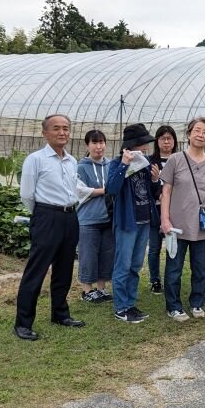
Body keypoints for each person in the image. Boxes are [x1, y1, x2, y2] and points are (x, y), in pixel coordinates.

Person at [14, 114, 84, 341]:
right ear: (45, 133)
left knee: (64, 269)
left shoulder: (72, 161)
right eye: (56, 128)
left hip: (69, 217)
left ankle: (60, 314)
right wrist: (44, 215)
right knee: (37, 271)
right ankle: (23, 323)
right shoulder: (35, 160)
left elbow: (74, 190)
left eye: (66, 128)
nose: (62, 132)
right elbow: (27, 195)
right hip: (46, 216)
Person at [160, 117, 205, 321]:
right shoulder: (175, 160)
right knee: (174, 269)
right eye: (197, 130)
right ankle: (173, 306)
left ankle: (197, 303)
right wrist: (165, 220)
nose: (200, 135)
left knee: (201, 268)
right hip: (177, 225)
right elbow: (166, 192)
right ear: (188, 134)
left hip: (202, 226)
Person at [106, 124, 161, 324]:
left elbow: (152, 192)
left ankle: (130, 303)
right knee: (123, 265)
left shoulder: (145, 163)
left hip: (144, 220)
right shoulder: (116, 163)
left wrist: (155, 179)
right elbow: (111, 189)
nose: (146, 148)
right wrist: (123, 165)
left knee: (136, 265)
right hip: (127, 222)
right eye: (143, 144)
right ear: (133, 145)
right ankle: (121, 307)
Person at [76, 129, 114, 303]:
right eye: (94, 143)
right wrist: (103, 191)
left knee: (106, 254)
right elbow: (79, 190)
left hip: (108, 218)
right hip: (88, 219)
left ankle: (101, 288)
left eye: (101, 142)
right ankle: (87, 290)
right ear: (88, 145)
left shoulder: (111, 165)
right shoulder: (81, 167)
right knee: (88, 255)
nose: (99, 147)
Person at [147, 125, 179, 295]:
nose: (166, 142)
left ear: (174, 141)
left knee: (173, 247)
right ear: (157, 141)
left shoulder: (180, 160)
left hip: (175, 211)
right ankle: (155, 280)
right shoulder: (151, 162)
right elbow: (148, 188)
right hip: (155, 211)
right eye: (162, 138)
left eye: (169, 138)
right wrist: (155, 182)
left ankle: (171, 278)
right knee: (154, 248)